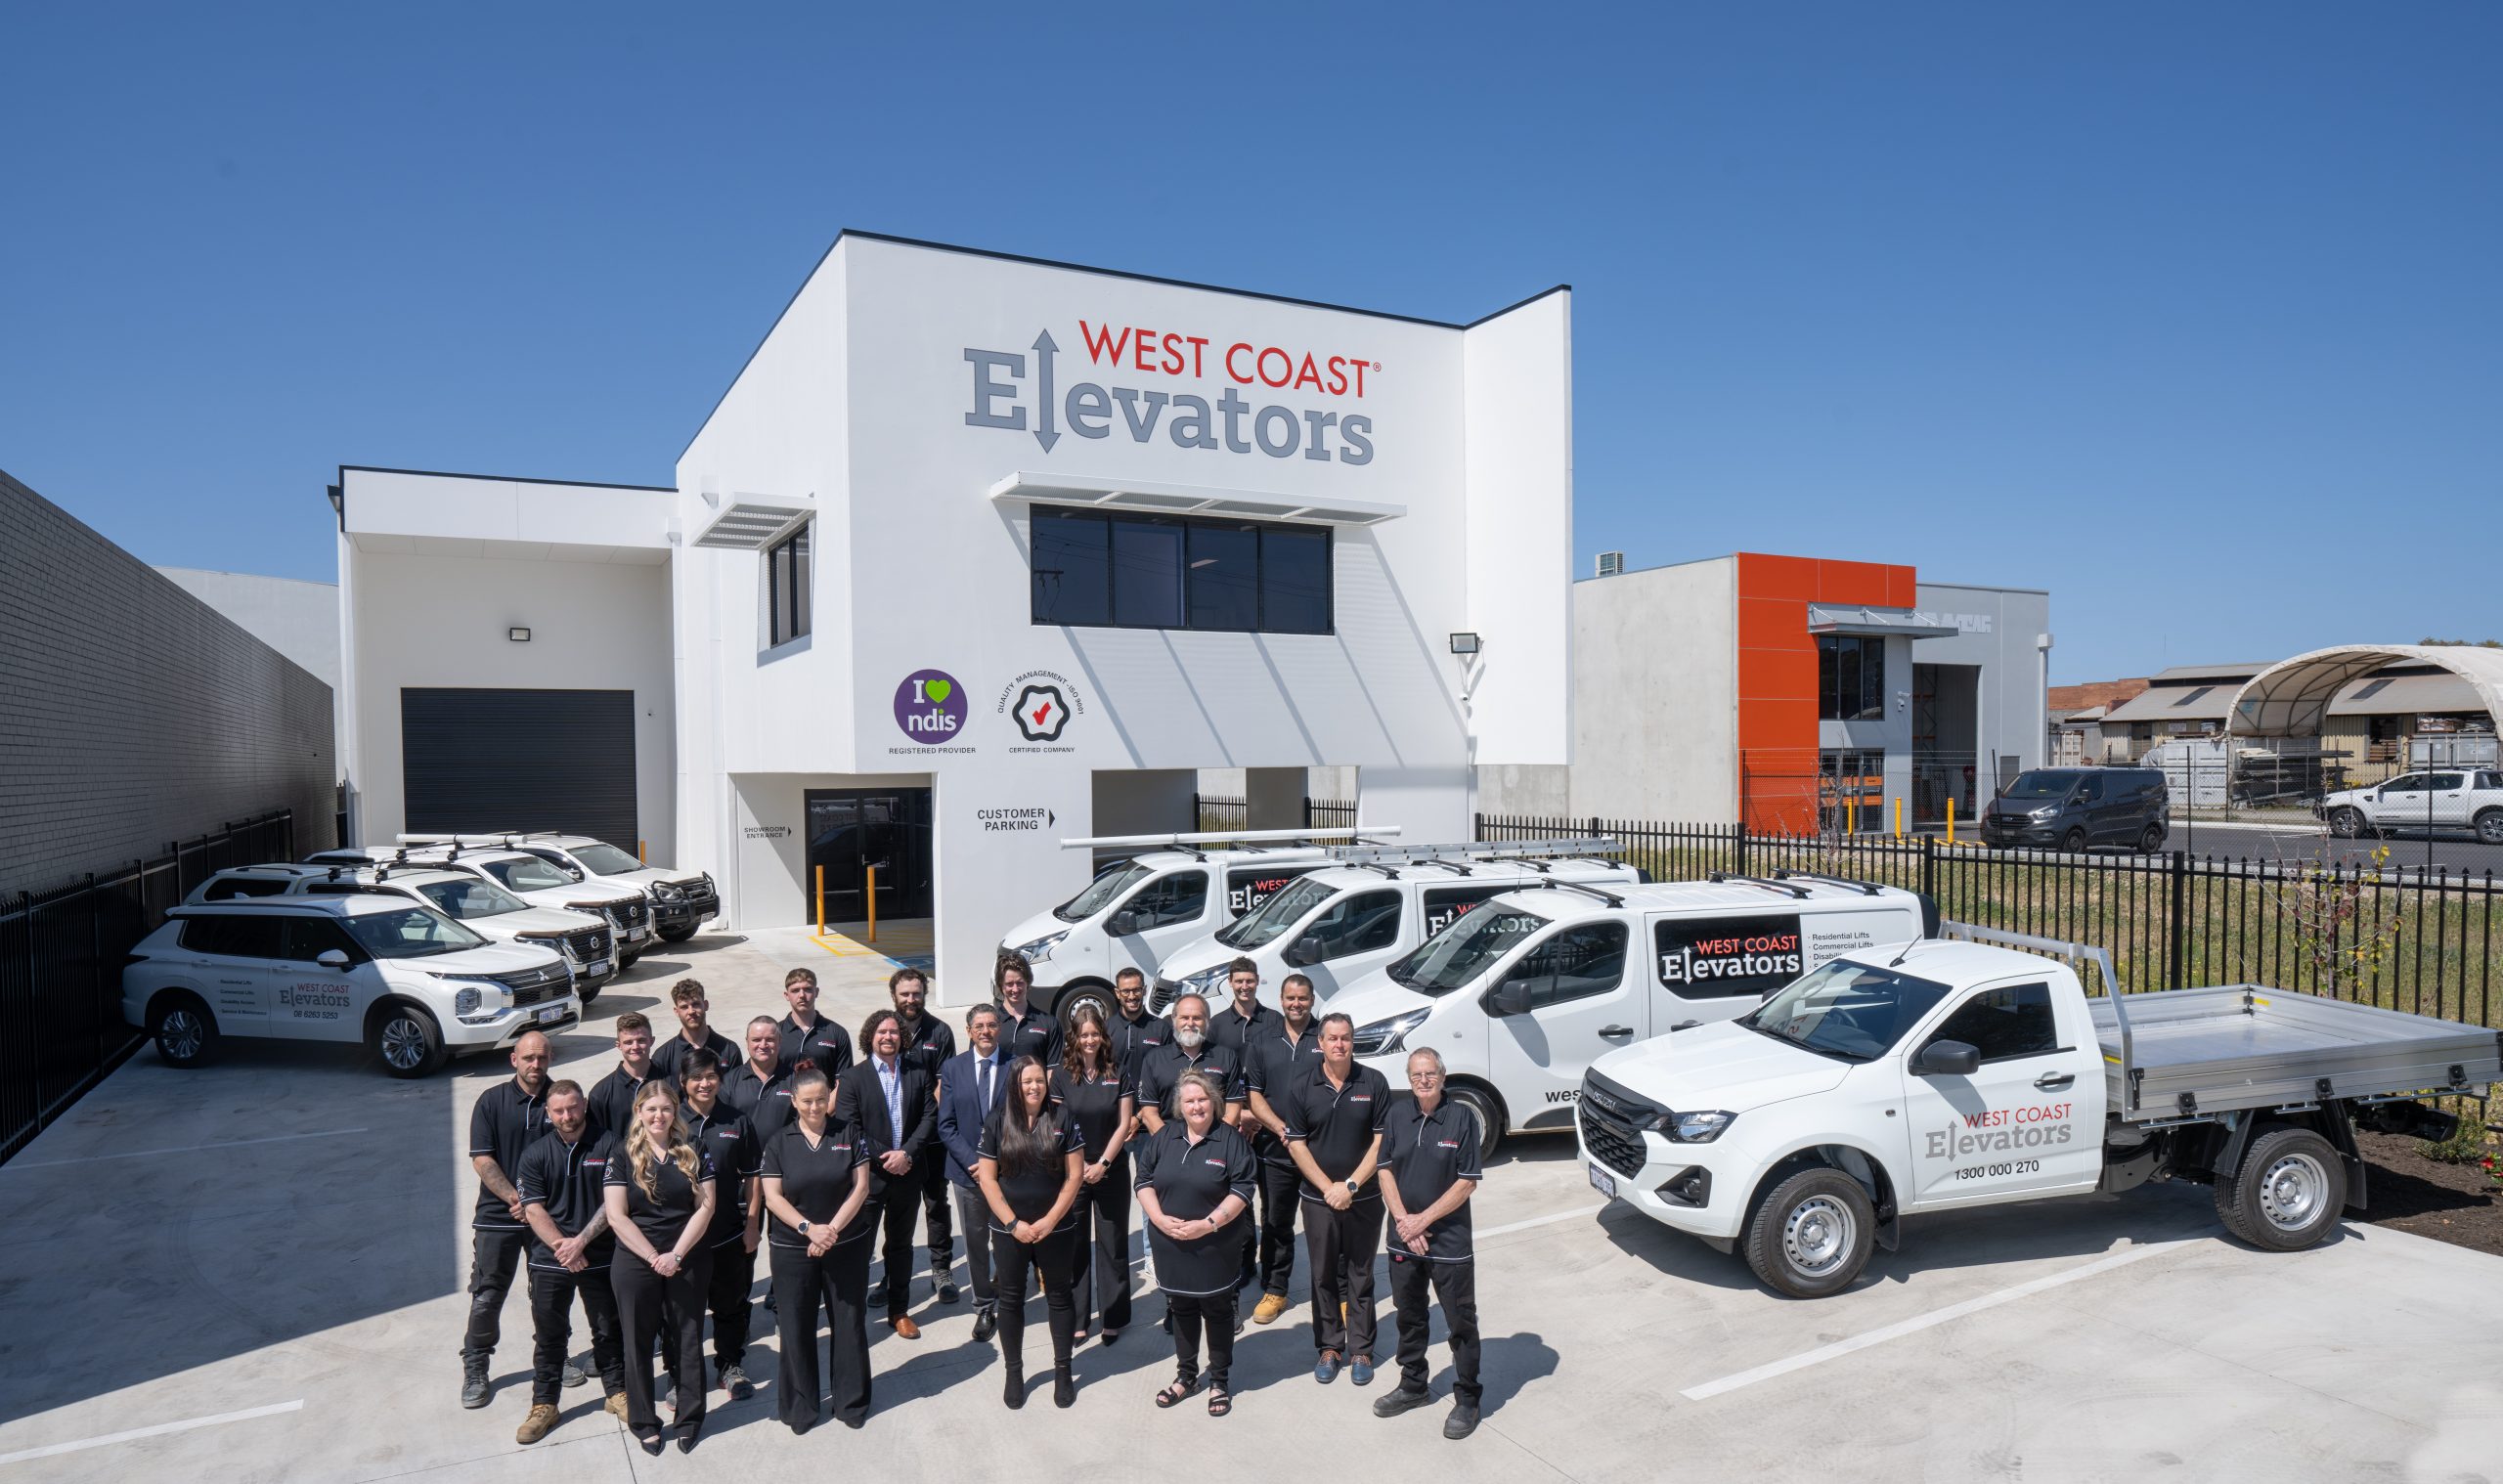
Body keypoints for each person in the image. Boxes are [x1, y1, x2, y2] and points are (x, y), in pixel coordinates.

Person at [1373, 1048, 1484, 1440]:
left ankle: (1468, 1398)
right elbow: (1384, 1169)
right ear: (1409, 1076)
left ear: (1443, 1074)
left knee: (1460, 1321)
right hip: (1403, 1237)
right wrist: (1405, 1221)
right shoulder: (1397, 1115)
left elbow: (1467, 1181)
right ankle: (1413, 1385)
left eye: (1430, 1073)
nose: (1424, 1080)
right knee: (1410, 1314)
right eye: (1417, 1074)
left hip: (1448, 1241)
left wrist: (1423, 1220)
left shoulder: (1462, 1117)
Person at [759, 1064, 876, 1433]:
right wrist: (810, 1230)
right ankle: (800, 1408)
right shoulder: (779, 1143)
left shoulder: (850, 1134)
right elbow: (772, 1197)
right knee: (796, 1326)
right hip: (793, 1247)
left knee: (849, 1322)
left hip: (845, 1245)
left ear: (830, 1100)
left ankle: (851, 1402)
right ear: (794, 1101)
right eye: (807, 1101)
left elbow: (860, 1188)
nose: (814, 1108)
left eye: (821, 1100)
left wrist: (832, 1231)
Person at [602, 1081, 718, 1455]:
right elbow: (617, 1216)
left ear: (675, 1111)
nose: (659, 1116)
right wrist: (654, 1257)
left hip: (687, 1258)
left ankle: (689, 1417)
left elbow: (706, 1206)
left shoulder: (694, 1148)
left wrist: (677, 1255)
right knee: (636, 1342)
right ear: (639, 1112)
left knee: (687, 1338)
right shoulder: (622, 1154)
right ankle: (644, 1421)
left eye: (666, 1109)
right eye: (651, 1109)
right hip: (636, 1261)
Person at [1135, 1069, 1254, 1418]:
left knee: (1217, 1311)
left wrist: (1208, 1224)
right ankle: (1186, 1376)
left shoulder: (1230, 1139)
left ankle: (1219, 1380)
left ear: (1213, 1102)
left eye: (1202, 1099)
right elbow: (1143, 1180)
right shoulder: (1165, 1137)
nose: (1197, 1106)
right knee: (1182, 1308)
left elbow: (1243, 1188)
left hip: (1214, 1245)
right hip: (1170, 1243)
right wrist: (1157, 1218)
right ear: (1180, 1106)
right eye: (1189, 1101)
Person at [1280, 1012, 1390, 1386]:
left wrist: (1352, 1187)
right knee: (1322, 1273)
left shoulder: (1373, 1082)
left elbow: (1380, 1142)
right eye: (1332, 1038)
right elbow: (1296, 1144)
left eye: (1345, 1038)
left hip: (1365, 1197)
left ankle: (1361, 1349)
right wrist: (1329, 1187)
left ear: (1352, 1042)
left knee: (1361, 1273)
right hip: (1317, 1199)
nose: (1339, 1044)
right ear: (1320, 1043)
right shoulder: (1302, 1085)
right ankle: (1329, 1346)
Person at [512, 1078, 626, 1442]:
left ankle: (617, 1392)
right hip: (550, 1259)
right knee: (550, 1335)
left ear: (585, 1106)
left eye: (573, 1107)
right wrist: (565, 1247)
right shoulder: (535, 1154)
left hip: (600, 1254)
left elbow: (615, 1202)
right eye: (559, 1110)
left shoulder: (609, 1144)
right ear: (548, 1113)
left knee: (608, 1329)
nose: (567, 1116)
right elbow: (532, 1208)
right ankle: (545, 1404)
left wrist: (581, 1243)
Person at [977, 1056, 1087, 1409]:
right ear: (1015, 1084)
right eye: (1027, 1081)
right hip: (1010, 1230)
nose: (1035, 1087)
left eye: (1039, 1080)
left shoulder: (1062, 1117)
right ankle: (1014, 1371)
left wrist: (1050, 1220)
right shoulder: (997, 1121)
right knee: (1010, 1299)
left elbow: (1074, 1176)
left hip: (1055, 1227)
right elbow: (988, 1179)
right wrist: (1013, 1224)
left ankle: (1063, 1370)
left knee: (1059, 1295)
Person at [461, 1031, 552, 1409]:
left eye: (542, 1058)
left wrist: (536, 1206)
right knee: (487, 1296)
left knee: (548, 1296)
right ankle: (476, 1365)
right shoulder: (491, 1102)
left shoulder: (561, 1099)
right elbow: (482, 1159)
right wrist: (518, 1198)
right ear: (513, 1059)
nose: (536, 1065)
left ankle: (553, 1357)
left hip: (546, 1218)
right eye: (528, 1058)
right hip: (499, 1216)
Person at [836, 1008, 937, 1337]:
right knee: (859, 1249)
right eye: (882, 1032)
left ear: (901, 1037)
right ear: (870, 1037)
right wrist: (885, 1156)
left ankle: (899, 1310)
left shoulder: (918, 1073)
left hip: (908, 1174)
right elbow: (850, 1127)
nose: (888, 1037)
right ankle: (852, 1315)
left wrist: (906, 1153)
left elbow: (928, 1118)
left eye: (894, 1032)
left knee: (901, 1246)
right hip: (870, 1179)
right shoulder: (853, 1077)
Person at [677, 1050, 764, 1402]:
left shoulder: (736, 1121)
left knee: (730, 1305)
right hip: (682, 1240)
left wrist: (753, 1225)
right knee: (684, 1312)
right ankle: (681, 1374)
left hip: (728, 1232)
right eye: (697, 1077)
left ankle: (730, 1366)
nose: (704, 1083)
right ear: (683, 1082)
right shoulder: (670, 1122)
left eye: (711, 1076)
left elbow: (753, 1178)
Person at [1051, 1005, 1135, 1344]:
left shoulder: (1118, 1072)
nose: (1089, 1040)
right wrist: (1080, 1166)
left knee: (1112, 1244)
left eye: (1095, 1034)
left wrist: (1103, 1164)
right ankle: (1078, 1317)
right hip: (1072, 1172)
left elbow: (1124, 1123)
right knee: (1073, 1245)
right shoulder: (1061, 1075)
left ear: (1103, 1036)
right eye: (1083, 1034)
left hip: (1109, 1170)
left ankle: (1113, 1316)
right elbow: (1057, 1126)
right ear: (1075, 1037)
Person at [1242, 973, 1323, 1326]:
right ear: (1280, 998)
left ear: (1312, 999)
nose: (1296, 1004)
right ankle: (1275, 1289)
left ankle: (1337, 1292)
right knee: (1276, 1222)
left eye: (1302, 998)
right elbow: (1254, 1095)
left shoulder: (1325, 1037)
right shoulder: (1262, 1041)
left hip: (1320, 1152)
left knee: (1327, 1226)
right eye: (1290, 998)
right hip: (1275, 1152)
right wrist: (1281, 1129)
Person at [938, 1003, 1012, 1341]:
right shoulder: (953, 1068)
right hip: (967, 1173)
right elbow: (946, 1125)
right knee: (976, 1242)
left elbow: (1025, 1121)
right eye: (979, 1026)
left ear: (1000, 1029)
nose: (985, 1031)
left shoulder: (1016, 1066)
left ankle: (1010, 1294)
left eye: (992, 1025)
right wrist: (976, 1162)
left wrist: (998, 1163)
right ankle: (983, 1304)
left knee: (1008, 1237)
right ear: (968, 1031)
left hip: (1009, 1171)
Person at [890, 968, 960, 1304]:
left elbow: (943, 1086)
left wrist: (923, 1128)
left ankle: (941, 1269)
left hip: (930, 1140)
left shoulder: (940, 1032)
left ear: (924, 994)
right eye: (904, 994)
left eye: (916, 993)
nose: (910, 1000)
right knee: (897, 1209)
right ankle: (892, 1274)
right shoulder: (884, 1029)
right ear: (894, 996)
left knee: (935, 1204)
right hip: (894, 1142)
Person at [1134, 994, 1244, 1135]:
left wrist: (1215, 1144)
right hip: (1168, 1145)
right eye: (1184, 1017)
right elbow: (1149, 1113)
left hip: (1215, 1144)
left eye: (1197, 1018)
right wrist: (1169, 1144)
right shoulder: (1154, 1059)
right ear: (1174, 1020)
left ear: (1207, 1021)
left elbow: (1234, 1109)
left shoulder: (1227, 1057)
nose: (1190, 1023)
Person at [651, 980, 740, 1083]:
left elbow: (735, 1094)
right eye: (684, 1007)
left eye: (696, 1004)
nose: (691, 1011)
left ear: (706, 1005)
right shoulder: (663, 1056)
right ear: (676, 1011)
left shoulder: (729, 1050)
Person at [722, 1015, 794, 1143]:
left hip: (783, 1160)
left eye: (770, 1039)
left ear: (780, 1041)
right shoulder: (729, 1081)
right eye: (756, 1040)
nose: (763, 1045)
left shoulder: (796, 1081)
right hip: (742, 1161)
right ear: (747, 1042)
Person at [587, 1014, 659, 1142]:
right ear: (618, 1045)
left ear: (651, 1041)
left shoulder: (670, 1083)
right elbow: (596, 1142)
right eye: (628, 1042)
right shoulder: (600, 1094)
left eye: (641, 1040)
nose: (635, 1047)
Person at [777, 967, 855, 1073]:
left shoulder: (837, 1033)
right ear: (787, 995)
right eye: (795, 990)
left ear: (816, 992)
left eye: (808, 989)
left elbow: (844, 1081)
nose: (802, 995)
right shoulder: (775, 1033)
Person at [993, 951, 1060, 1065]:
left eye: (1020, 983)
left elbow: (1052, 1072)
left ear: (1027, 983)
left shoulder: (1049, 1023)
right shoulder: (989, 1023)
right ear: (1000, 985)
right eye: (1009, 984)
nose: (1015, 989)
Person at [1107, 966, 1168, 1077]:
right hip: (1116, 1094)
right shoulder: (1106, 1029)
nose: (1131, 996)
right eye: (1125, 991)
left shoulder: (1162, 1029)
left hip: (1151, 1094)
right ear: (1117, 993)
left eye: (1136, 990)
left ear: (1144, 990)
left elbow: (1170, 1068)